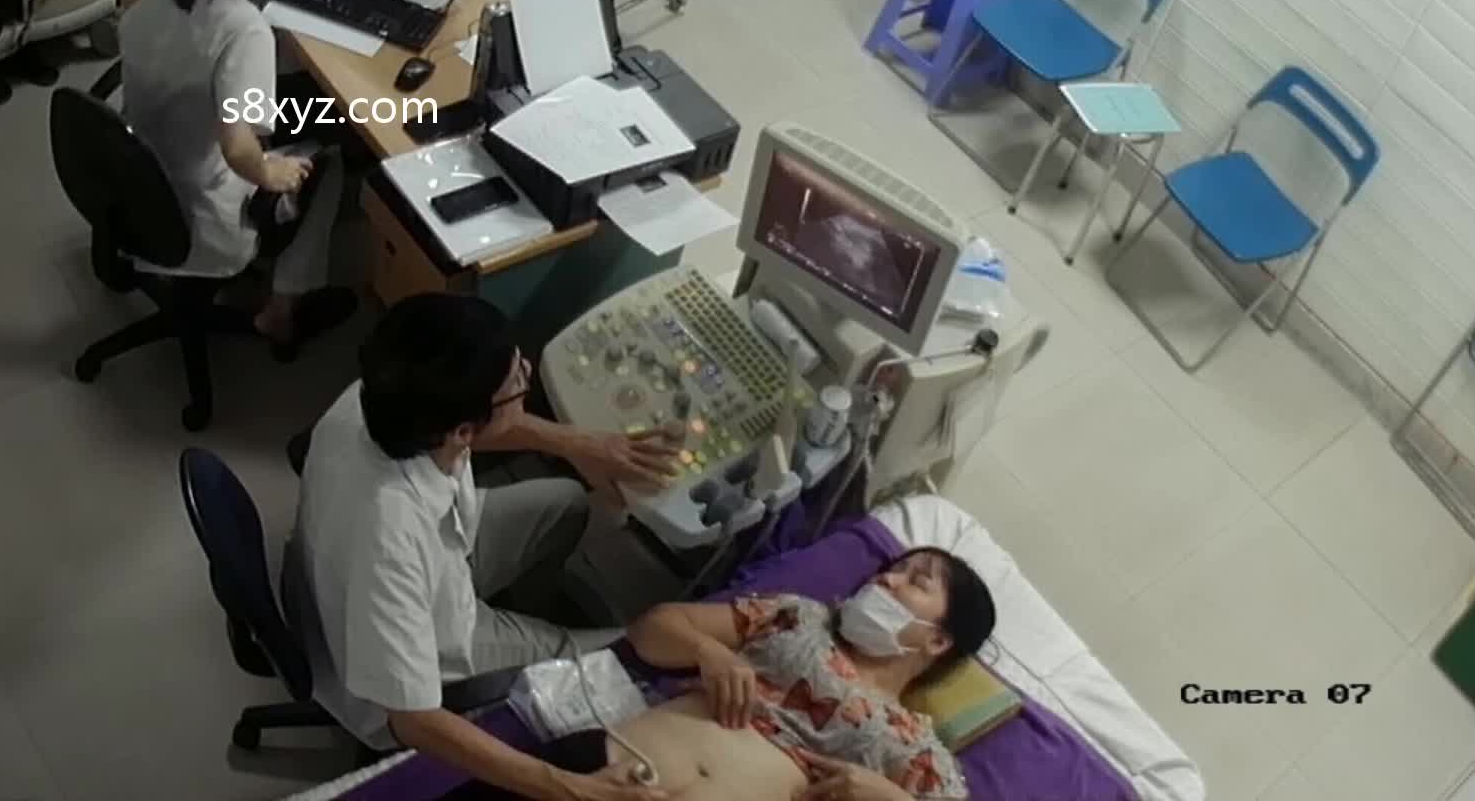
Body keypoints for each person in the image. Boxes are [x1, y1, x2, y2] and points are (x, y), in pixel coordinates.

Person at [284, 293, 689, 801]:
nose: (527, 373)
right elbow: (412, 720)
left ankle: (526, 620)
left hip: (433, 565)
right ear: (461, 430)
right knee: (622, 656)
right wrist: (570, 789)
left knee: (565, 503)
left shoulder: (383, 397)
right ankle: (528, 657)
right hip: (417, 658)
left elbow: (484, 428)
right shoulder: (388, 538)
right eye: (516, 380)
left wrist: (580, 443)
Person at [446, 548, 997, 801]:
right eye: (891, 570)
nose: (886, 581)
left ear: (938, 640)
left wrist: (886, 798)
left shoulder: (917, 750)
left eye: (915, 581)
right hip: (595, 774)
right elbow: (652, 630)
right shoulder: (799, 617)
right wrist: (708, 651)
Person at [118, 0, 348, 348]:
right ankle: (280, 311)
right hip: (200, 205)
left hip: (145, 165)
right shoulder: (244, 31)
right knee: (335, 152)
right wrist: (271, 171)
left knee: (306, 100)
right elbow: (239, 148)